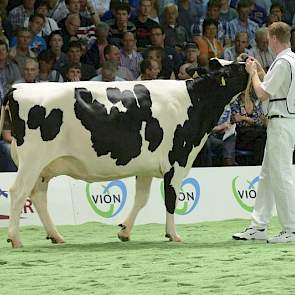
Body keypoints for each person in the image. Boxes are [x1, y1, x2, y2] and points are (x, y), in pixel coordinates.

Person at [232, 21, 295, 243]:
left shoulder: (283, 62)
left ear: (274, 39)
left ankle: (291, 229)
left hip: (281, 123)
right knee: (269, 175)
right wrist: (261, 71)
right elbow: (274, 86)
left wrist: (253, 73)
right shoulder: (290, 60)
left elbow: (262, 93)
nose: (267, 43)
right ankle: (259, 226)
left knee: (282, 176)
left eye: (269, 39)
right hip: (284, 122)